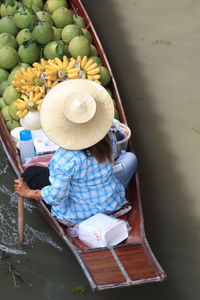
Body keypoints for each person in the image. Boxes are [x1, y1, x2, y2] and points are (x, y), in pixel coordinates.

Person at [14, 79, 137, 226]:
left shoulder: (65, 158)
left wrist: (28, 193)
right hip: (110, 202)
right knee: (130, 158)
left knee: (32, 173)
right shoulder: (109, 136)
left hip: (76, 215)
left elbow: (56, 196)